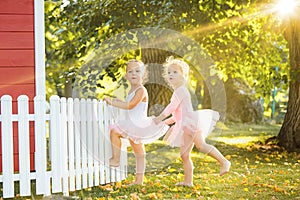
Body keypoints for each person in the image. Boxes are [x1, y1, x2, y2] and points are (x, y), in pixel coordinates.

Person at [153, 56, 231, 187]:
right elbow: (177, 115)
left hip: (191, 123)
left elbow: (171, 107)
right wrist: (165, 122)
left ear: (183, 75)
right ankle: (188, 181)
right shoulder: (177, 91)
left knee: (201, 145)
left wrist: (160, 117)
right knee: (184, 155)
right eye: (169, 72)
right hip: (185, 125)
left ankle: (224, 162)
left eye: (175, 72)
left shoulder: (181, 90)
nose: (171, 74)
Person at [104, 59, 168, 185]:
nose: (134, 74)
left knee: (114, 130)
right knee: (139, 153)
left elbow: (131, 105)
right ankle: (139, 181)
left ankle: (116, 159)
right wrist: (115, 100)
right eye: (130, 71)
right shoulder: (131, 91)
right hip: (133, 125)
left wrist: (113, 102)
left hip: (137, 124)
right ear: (126, 76)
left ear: (143, 75)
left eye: (137, 71)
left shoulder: (141, 90)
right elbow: (127, 104)